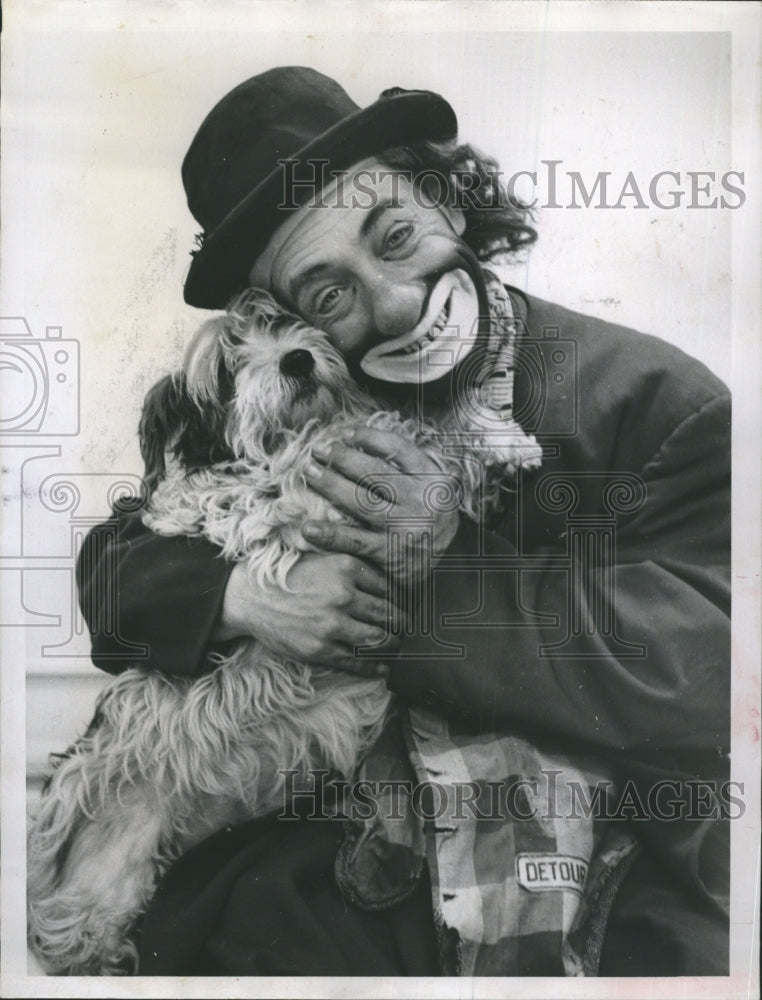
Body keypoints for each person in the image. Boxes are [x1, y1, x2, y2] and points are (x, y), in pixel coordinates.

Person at [76, 67, 731, 977]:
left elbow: (712, 668)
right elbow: (117, 563)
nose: (395, 303)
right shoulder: (314, 399)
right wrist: (242, 596)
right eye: (331, 294)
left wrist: (440, 570)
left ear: (450, 201)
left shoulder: (655, 402)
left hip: (616, 852)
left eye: (396, 236)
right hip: (333, 835)